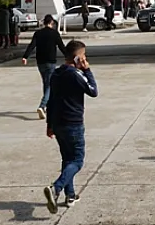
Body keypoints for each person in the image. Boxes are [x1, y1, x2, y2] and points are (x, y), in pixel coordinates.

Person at [44, 39, 98, 214]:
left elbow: (51, 101)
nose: (85, 59)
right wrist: (87, 70)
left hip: (58, 124)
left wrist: (49, 124)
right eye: (83, 56)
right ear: (76, 58)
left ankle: (71, 194)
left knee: (67, 159)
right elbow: (93, 91)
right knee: (77, 161)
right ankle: (56, 187)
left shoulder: (56, 74)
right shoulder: (75, 74)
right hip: (73, 124)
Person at [23, 15, 68, 119]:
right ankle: (42, 105)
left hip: (40, 62)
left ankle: (47, 106)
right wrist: (68, 57)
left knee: (46, 83)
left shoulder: (38, 33)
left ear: (44, 22)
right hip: (51, 62)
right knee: (49, 85)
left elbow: (32, 45)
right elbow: (62, 46)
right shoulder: (54, 33)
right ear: (51, 22)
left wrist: (25, 56)